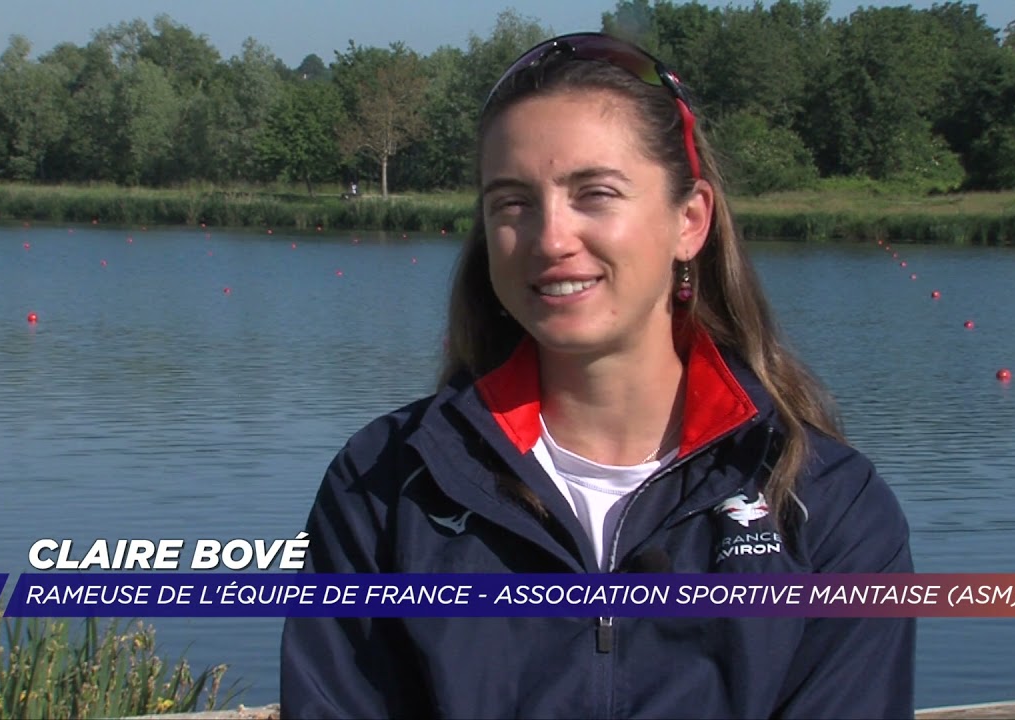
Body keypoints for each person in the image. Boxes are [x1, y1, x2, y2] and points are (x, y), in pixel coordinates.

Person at [281, 32, 915, 719]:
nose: (551, 239)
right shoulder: (382, 485)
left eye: (595, 193)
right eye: (512, 202)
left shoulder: (830, 507)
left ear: (689, 221)